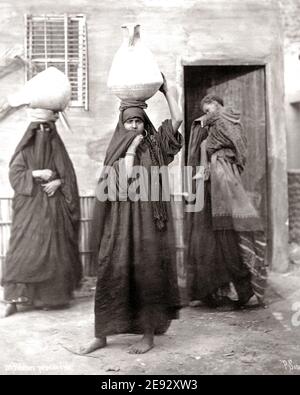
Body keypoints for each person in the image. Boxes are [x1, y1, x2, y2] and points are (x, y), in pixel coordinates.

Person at [81, 75, 183, 355]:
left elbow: (176, 122)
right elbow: (120, 188)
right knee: (111, 272)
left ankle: (147, 336)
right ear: (122, 124)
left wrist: (166, 92)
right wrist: (130, 152)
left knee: (147, 274)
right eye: (129, 121)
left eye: (138, 121)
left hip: (149, 225)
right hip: (120, 225)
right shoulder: (116, 150)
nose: (134, 125)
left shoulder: (156, 146)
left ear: (144, 123)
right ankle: (101, 335)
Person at [186, 94, 267, 309]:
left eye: (209, 109)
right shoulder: (213, 127)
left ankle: (242, 290)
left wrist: (230, 163)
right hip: (214, 180)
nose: (207, 114)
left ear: (218, 105)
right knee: (213, 234)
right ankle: (214, 290)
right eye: (206, 111)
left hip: (223, 179)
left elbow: (239, 147)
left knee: (228, 232)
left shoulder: (224, 121)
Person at [1, 108, 82, 317]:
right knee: (22, 251)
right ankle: (14, 300)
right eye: (40, 129)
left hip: (54, 210)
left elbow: (69, 177)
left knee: (55, 252)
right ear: (32, 131)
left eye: (48, 129)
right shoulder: (24, 152)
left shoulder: (57, 149)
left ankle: (51, 299)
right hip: (28, 210)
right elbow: (15, 175)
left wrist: (58, 182)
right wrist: (36, 173)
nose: (44, 133)